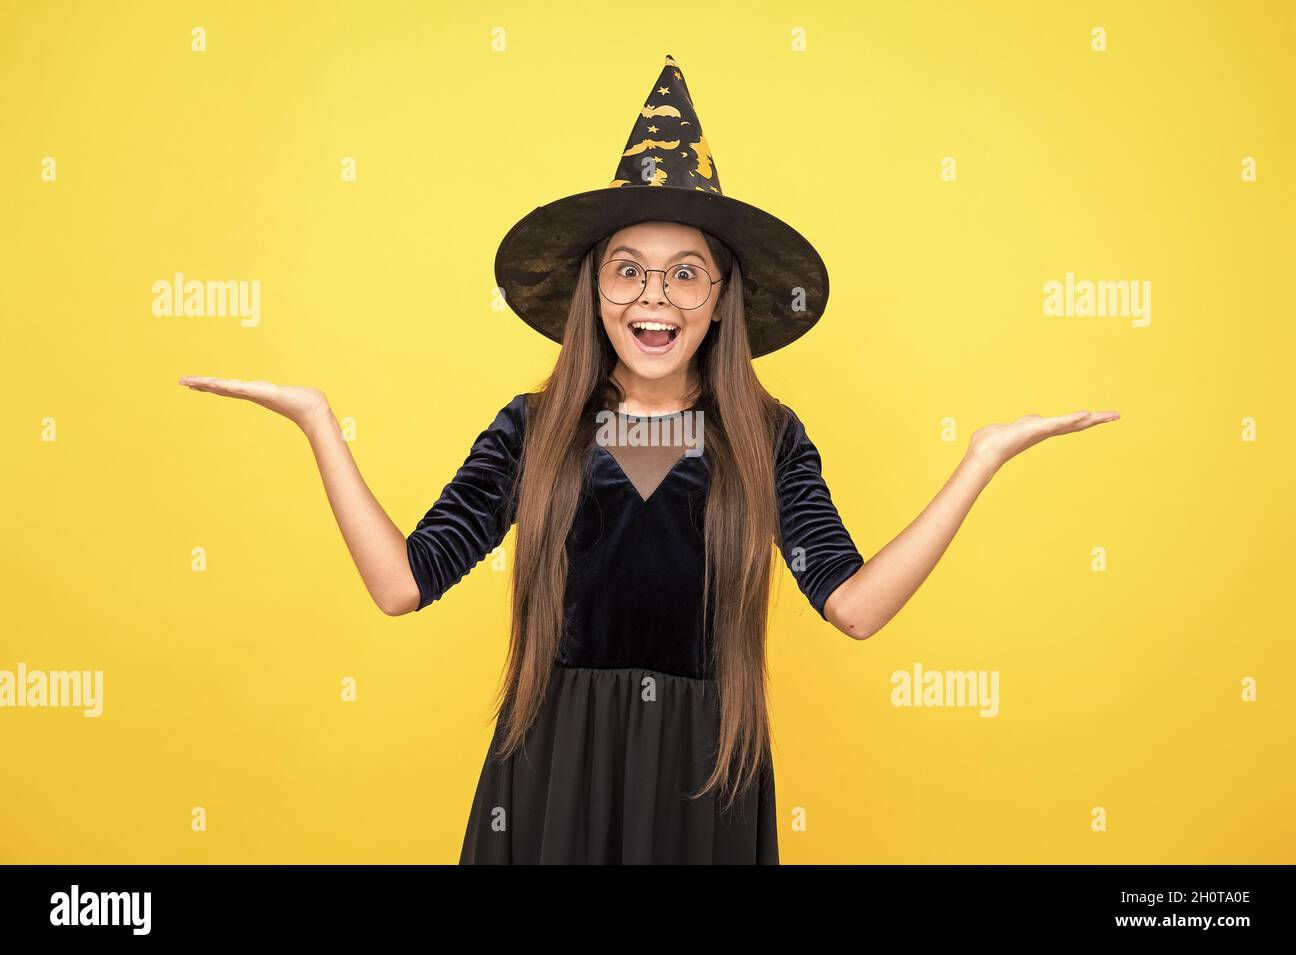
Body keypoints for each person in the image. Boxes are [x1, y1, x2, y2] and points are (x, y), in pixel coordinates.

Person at [178, 55, 1119, 864]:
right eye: (627, 267)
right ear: (593, 291)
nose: (652, 295)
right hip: (550, 769)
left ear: (719, 298)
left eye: (683, 272)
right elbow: (399, 584)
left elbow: (856, 606)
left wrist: (980, 460)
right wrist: (318, 424)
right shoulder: (536, 427)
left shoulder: (767, 436)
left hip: (702, 771)